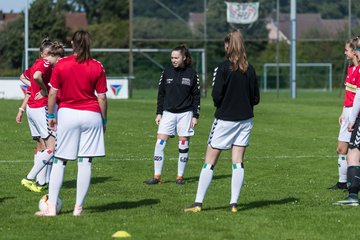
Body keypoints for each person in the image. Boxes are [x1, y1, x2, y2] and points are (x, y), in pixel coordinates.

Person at [184, 29, 260, 213]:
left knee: (209, 161)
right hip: (245, 120)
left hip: (225, 120)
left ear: (228, 45)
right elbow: (255, 98)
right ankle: (233, 203)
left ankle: (198, 203)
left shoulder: (222, 68)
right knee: (238, 162)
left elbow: (216, 96)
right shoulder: (250, 69)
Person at [35, 30, 108, 217]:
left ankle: (51, 209)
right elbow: (102, 98)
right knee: (85, 161)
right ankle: (78, 209)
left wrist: (51, 114)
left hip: (68, 114)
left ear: (73, 45)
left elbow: (52, 93)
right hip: (91, 115)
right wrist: (104, 120)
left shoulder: (62, 64)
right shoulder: (97, 66)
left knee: (60, 161)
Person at [143, 44, 200, 185]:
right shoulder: (166, 72)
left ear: (184, 57)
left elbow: (196, 96)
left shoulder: (192, 74)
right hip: (168, 114)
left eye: (176, 57)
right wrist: (159, 112)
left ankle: (180, 177)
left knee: (183, 144)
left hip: (185, 114)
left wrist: (195, 115)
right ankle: (157, 177)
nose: (173, 60)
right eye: (172, 58)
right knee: (160, 144)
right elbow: (161, 94)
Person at [20, 38, 60, 193]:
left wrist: (34, 87)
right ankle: (32, 178)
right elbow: (36, 77)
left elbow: (23, 77)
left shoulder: (36, 63)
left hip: (32, 108)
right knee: (52, 146)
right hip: (41, 106)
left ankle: (41, 181)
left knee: (42, 145)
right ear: (44, 53)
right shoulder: (44, 63)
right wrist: (43, 89)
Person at [328, 38, 360, 190]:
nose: (345, 52)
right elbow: (348, 94)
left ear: (354, 52)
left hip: (356, 114)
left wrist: (353, 116)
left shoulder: (359, 70)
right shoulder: (350, 69)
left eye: (347, 50)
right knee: (341, 149)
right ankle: (342, 182)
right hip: (347, 112)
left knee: (354, 151)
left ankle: (352, 184)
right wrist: (343, 112)